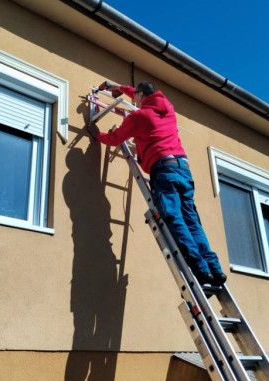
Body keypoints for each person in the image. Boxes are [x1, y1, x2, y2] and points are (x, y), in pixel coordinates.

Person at [88, 80, 227, 289]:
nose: (134, 100)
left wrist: (97, 134)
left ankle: (200, 269)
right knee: (191, 220)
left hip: (164, 169)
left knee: (174, 217)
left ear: (141, 96)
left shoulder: (138, 117)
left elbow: (116, 138)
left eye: (136, 96)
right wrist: (119, 88)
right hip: (183, 168)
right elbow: (139, 93)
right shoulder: (168, 108)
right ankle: (214, 268)